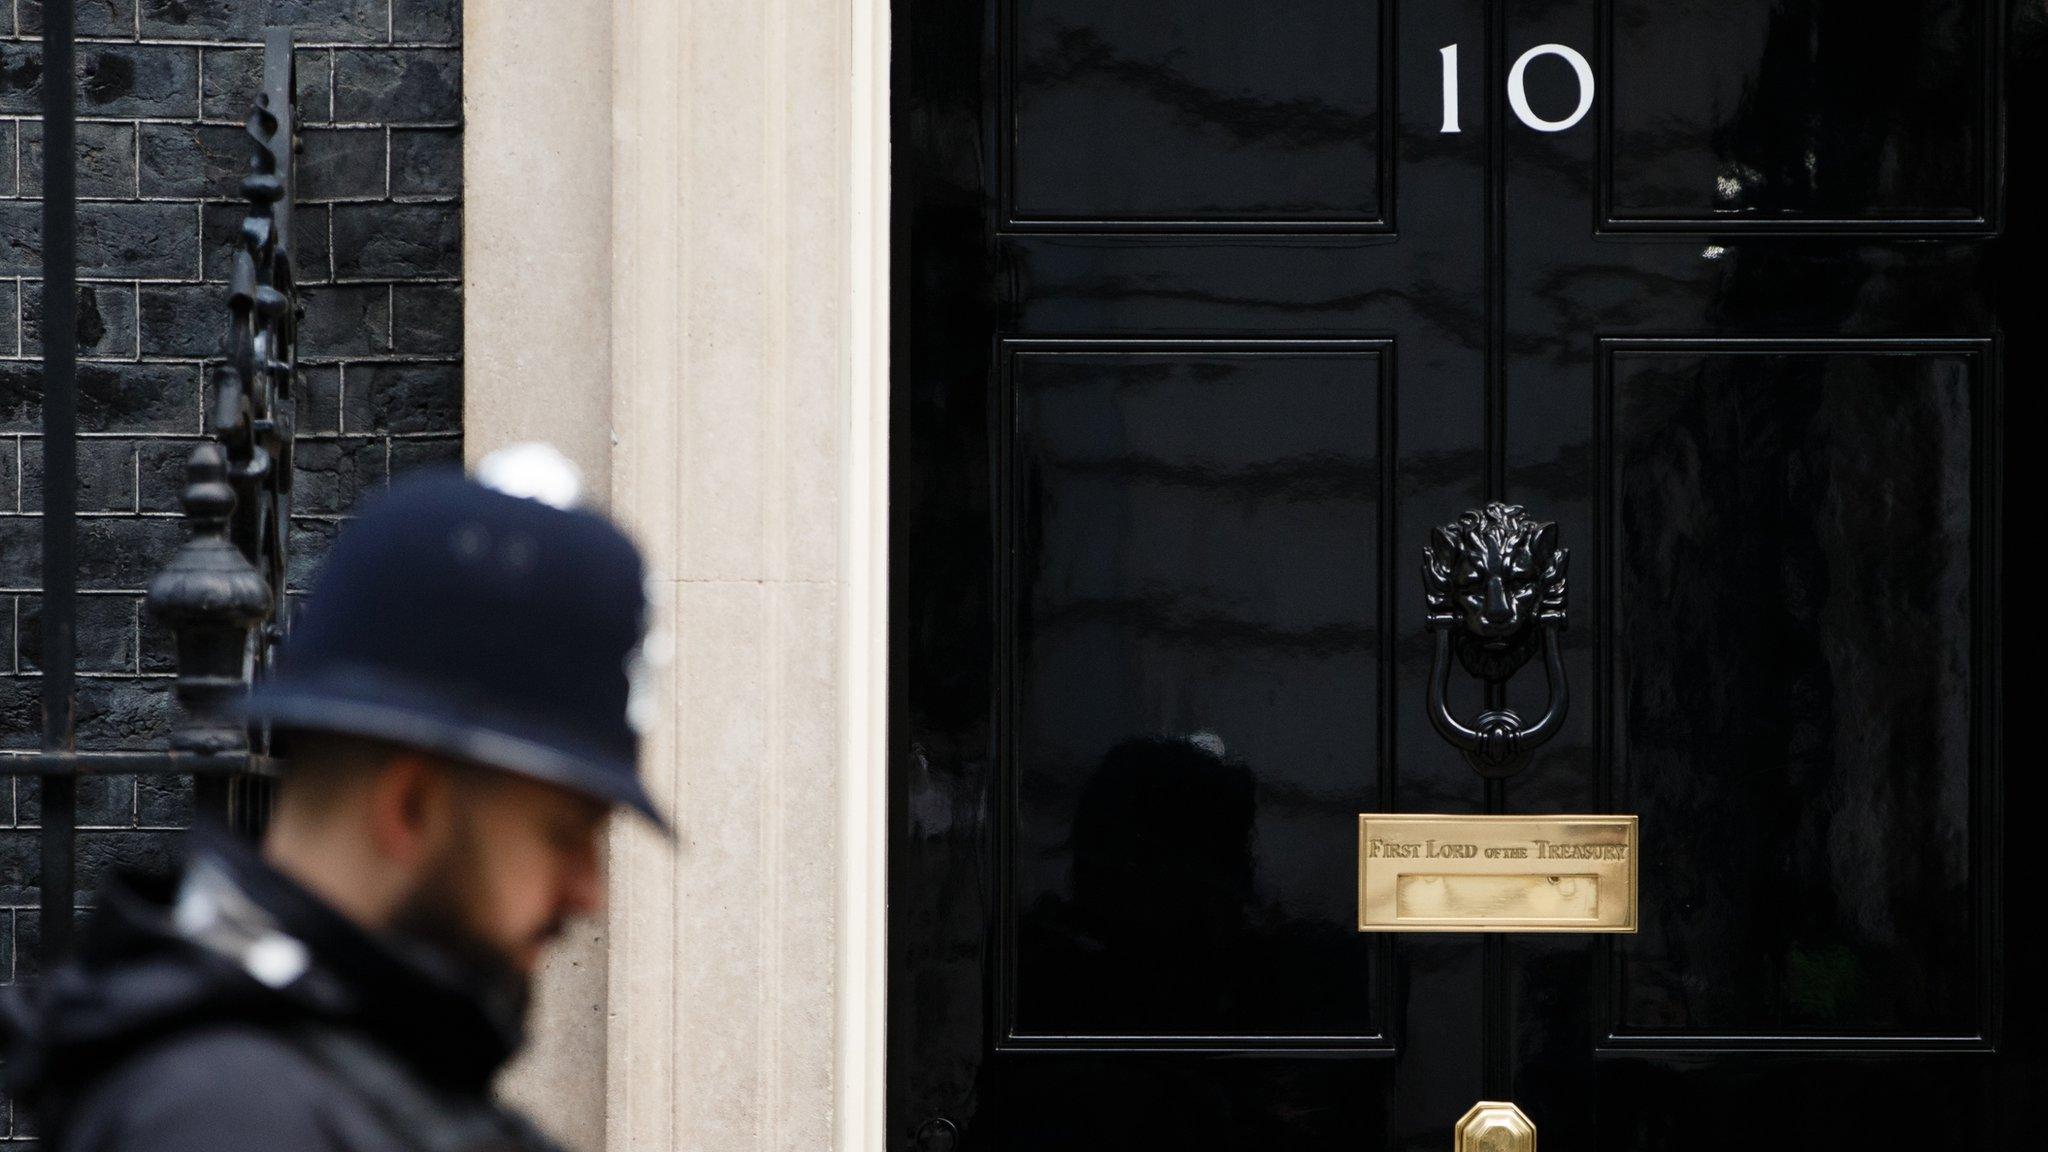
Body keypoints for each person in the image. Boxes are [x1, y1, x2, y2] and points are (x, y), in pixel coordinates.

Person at [0, 446, 667, 1152]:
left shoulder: (360, 1081)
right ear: (411, 806)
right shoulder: (229, 1118)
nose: (588, 892)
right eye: (563, 834)